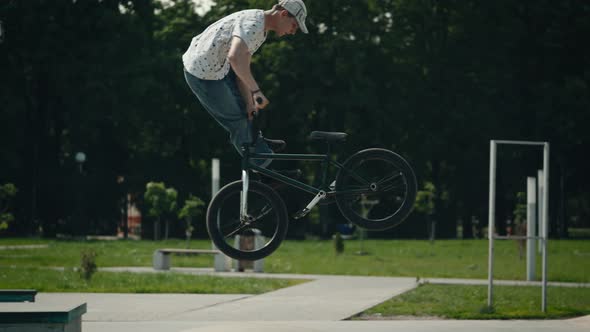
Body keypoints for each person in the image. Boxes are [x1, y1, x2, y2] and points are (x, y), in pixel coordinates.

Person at [183, 0, 308, 167]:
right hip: (202, 73)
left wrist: (250, 102)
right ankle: (267, 171)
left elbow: (240, 68)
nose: (293, 32)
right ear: (283, 14)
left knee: (247, 112)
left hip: (219, 67)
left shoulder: (260, 29)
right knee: (238, 121)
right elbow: (235, 57)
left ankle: (258, 143)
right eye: (294, 25)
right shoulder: (252, 24)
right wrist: (256, 91)